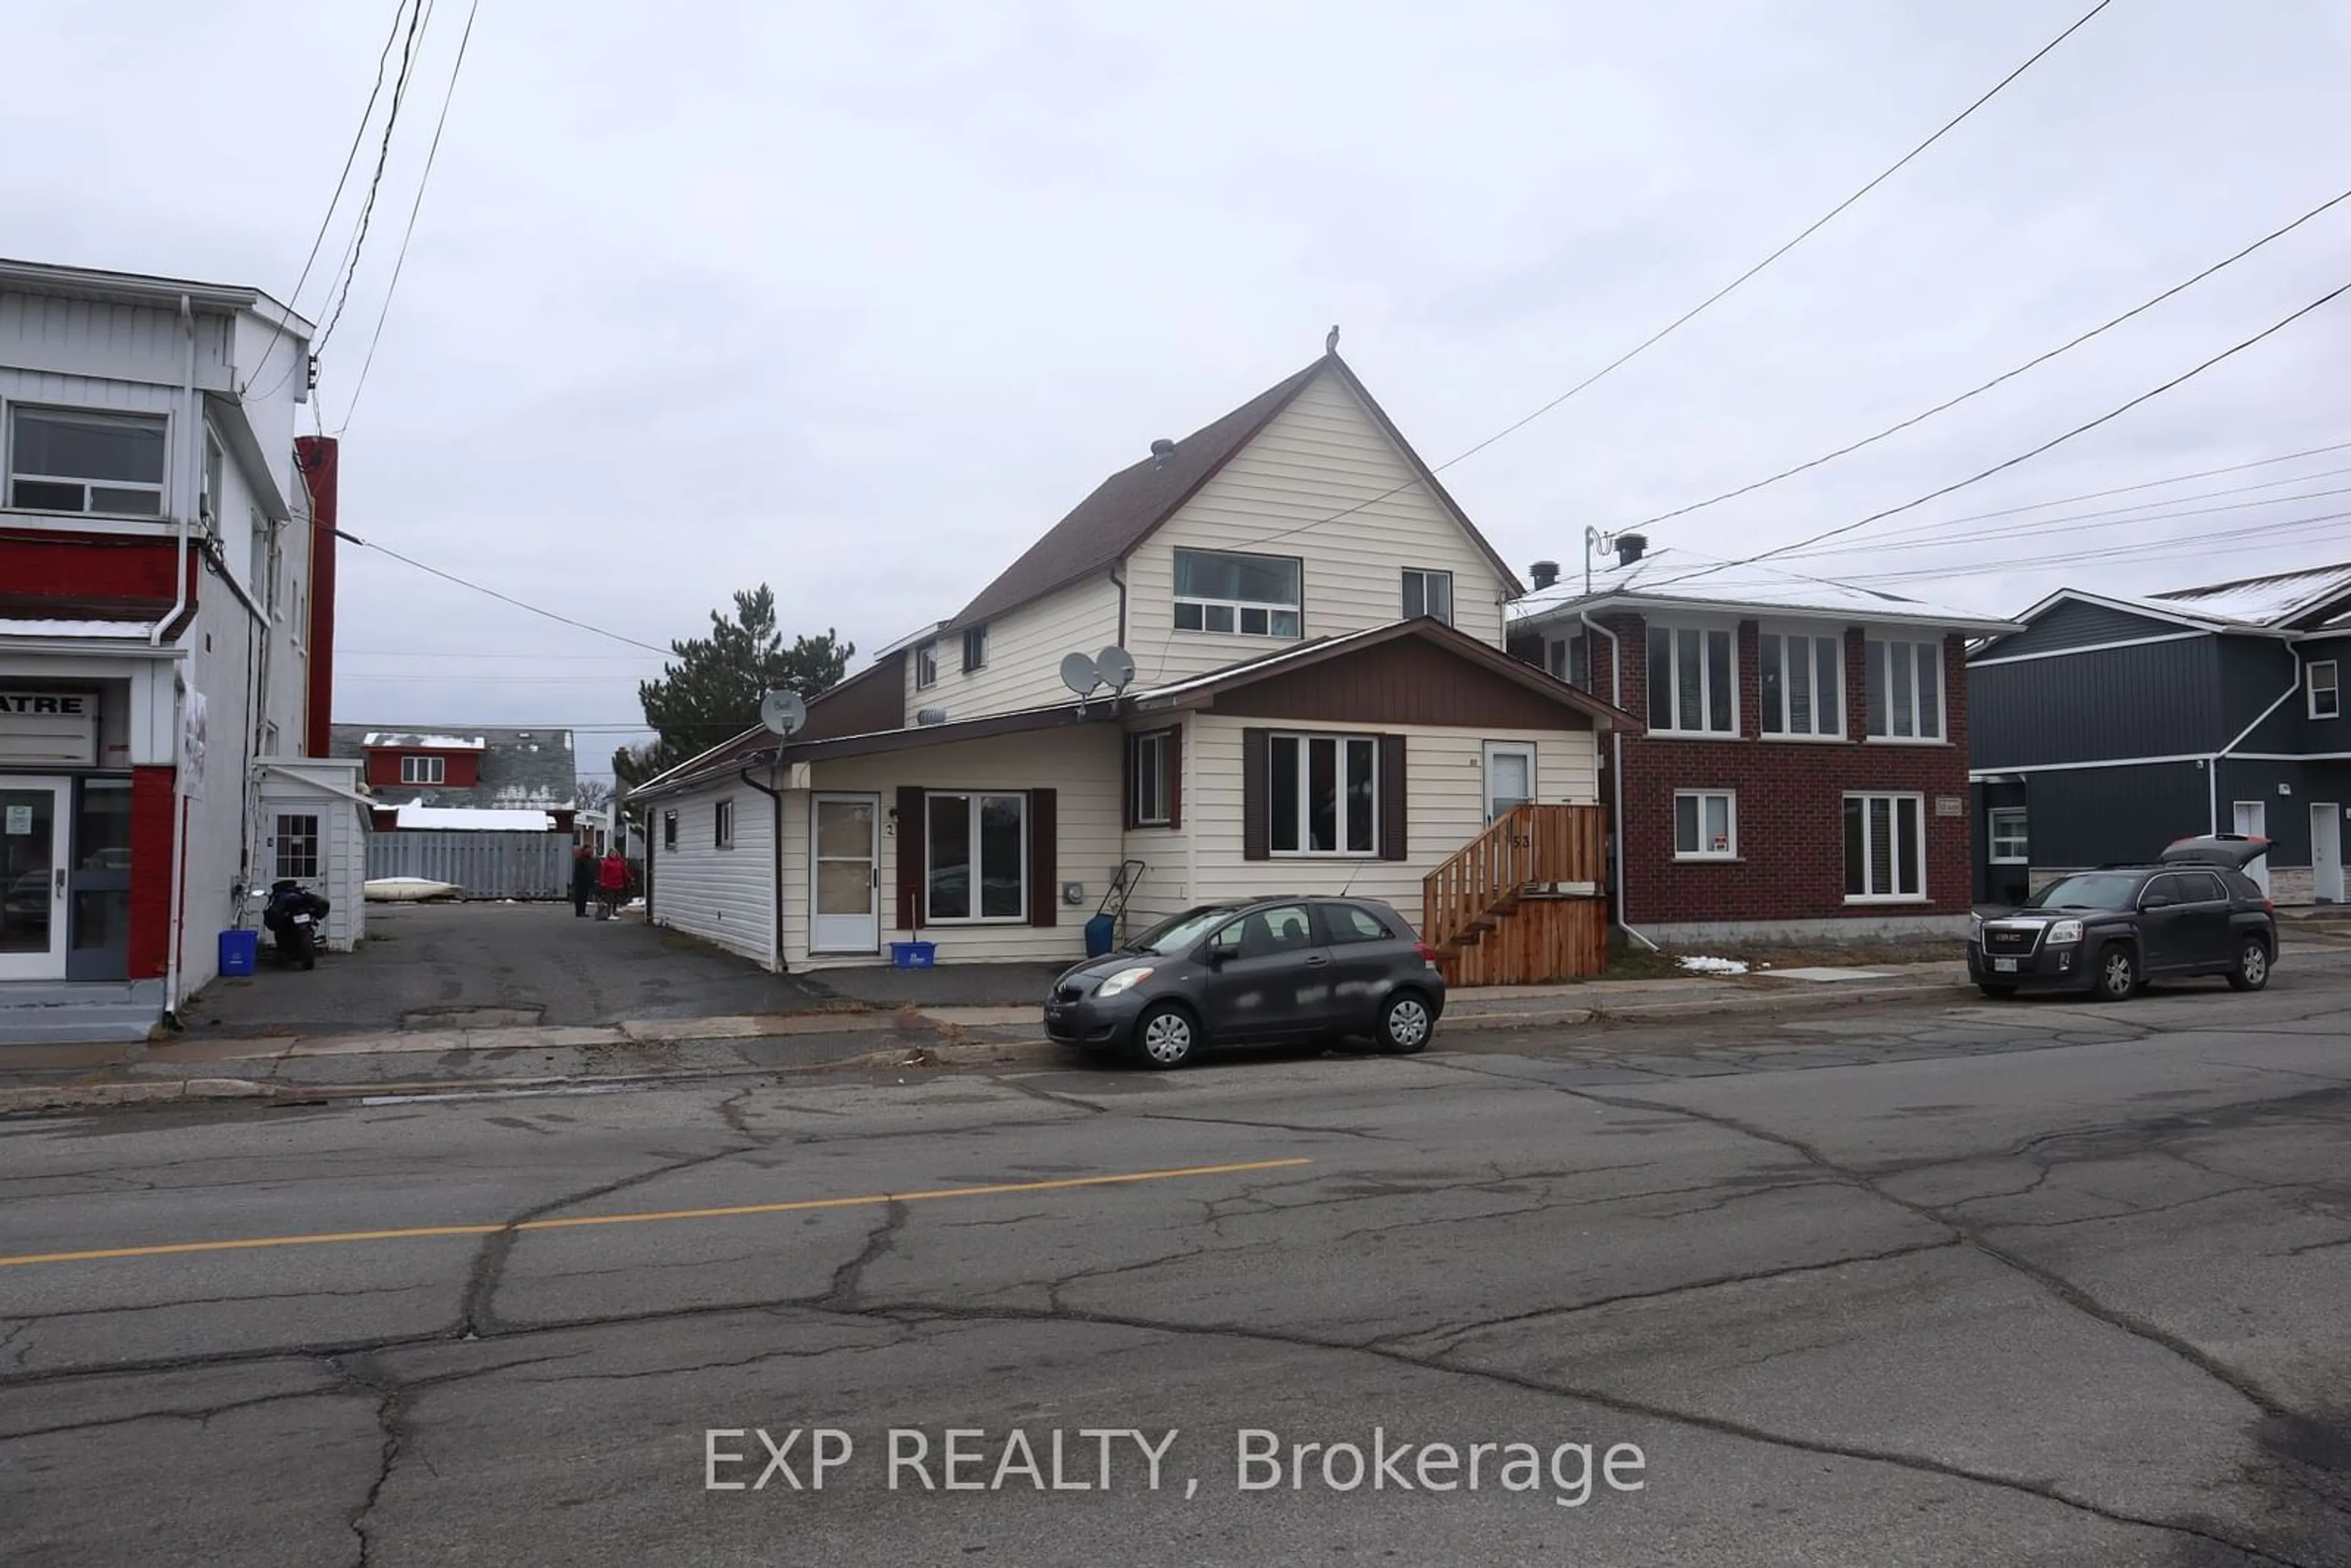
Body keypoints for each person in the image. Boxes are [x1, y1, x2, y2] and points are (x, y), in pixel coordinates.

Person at [597, 847, 629, 920]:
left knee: (616, 898)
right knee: (610, 898)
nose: (614, 854)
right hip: (609, 882)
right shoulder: (607, 862)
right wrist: (602, 881)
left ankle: (614, 911)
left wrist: (629, 877)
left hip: (618, 882)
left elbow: (624, 870)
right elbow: (603, 872)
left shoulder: (620, 862)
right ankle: (608, 912)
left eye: (615, 853)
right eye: (612, 853)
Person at [570, 844, 597, 918]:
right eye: (588, 850)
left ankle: (583, 911)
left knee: (584, 897)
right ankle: (579, 912)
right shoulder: (580, 860)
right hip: (580, 882)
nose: (590, 852)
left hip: (587, 882)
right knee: (580, 897)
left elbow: (592, 870)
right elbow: (579, 872)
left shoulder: (590, 860)